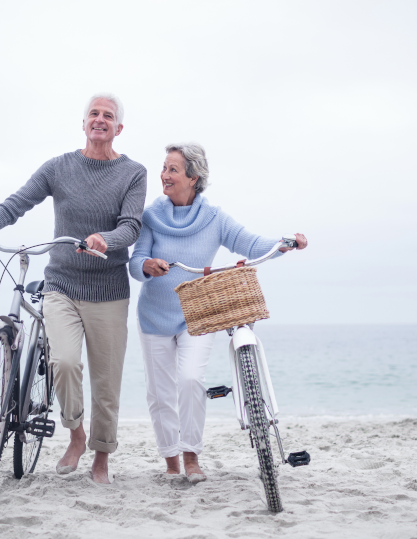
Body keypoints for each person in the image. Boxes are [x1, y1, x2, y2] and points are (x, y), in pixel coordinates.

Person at [0, 93, 147, 484]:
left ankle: (101, 459)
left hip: (109, 290)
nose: (100, 120)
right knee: (64, 363)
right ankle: (75, 435)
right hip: (62, 284)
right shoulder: (59, 167)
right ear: (84, 122)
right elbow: (15, 204)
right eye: (94, 113)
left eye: (108, 116)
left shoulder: (133, 173)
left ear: (118, 128)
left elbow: (131, 226)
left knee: (106, 384)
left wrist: (105, 239)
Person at [129, 143, 307, 482]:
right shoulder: (151, 216)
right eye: (164, 168)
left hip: (197, 317)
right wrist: (148, 266)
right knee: (160, 392)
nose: (164, 175)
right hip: (154, 316)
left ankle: (191, 456)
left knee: (192, 380)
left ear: (194, 178)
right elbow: (136, 261)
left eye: (173, 169)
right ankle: (170, 461)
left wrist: (284, 244)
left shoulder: (213, 217)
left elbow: (251, 244)